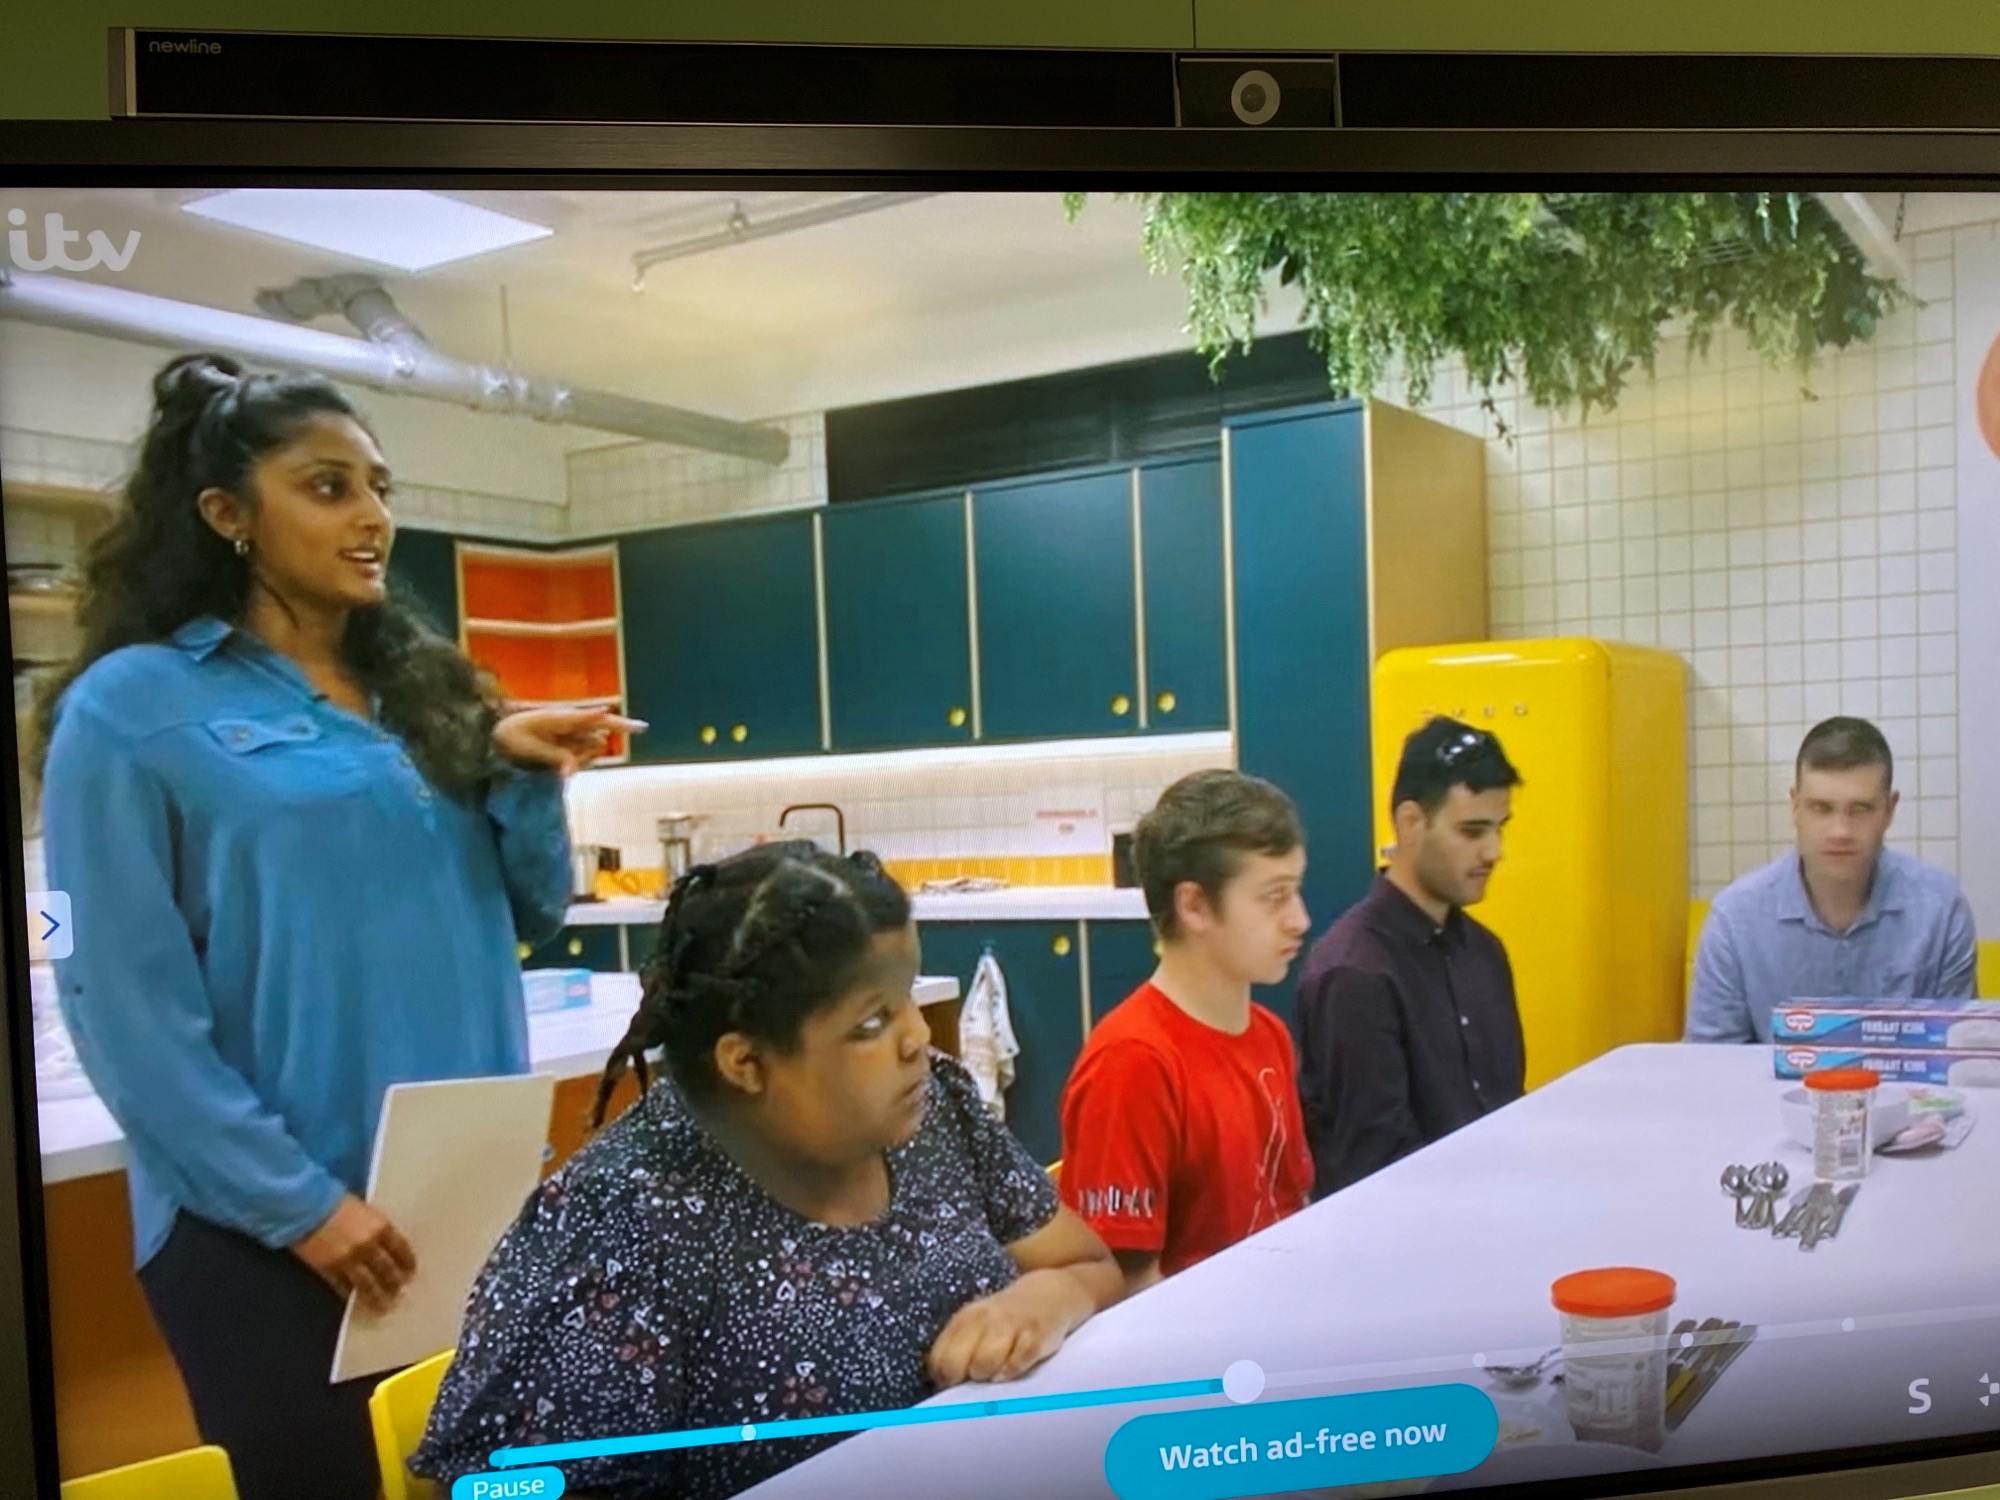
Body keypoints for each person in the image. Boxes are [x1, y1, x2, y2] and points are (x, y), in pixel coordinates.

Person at [37, 353, 635, 1500]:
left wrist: (516, 769)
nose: (372, 517)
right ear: (225, 514)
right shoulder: (129, 709)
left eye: (378, 486)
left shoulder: (425, 693)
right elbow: (112, 1000)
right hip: (268, 1231)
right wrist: (302, 1208)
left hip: (456, 1206)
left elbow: (529, 910)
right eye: (327, 486)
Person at [412, 843, 1123, 1500]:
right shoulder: (621, 1227)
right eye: (871, 1022)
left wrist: (1039, 1304)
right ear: (746, 1063)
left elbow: (1088, 1265)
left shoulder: (933, 1107)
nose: (915, 1036)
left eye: (907, 995)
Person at [1056, 769, 1316, 1294]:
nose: (1300, 920)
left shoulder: (1270, 1035)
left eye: (1296, 891)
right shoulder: (1133, 1063)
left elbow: (1293, 1210)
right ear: (1194, 905)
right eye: (1274, 896)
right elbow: (1124, 1290)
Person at [1294, 718, 1526, 1199]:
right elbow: (1375, 1167)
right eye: (1472, 831)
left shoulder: (1483, 952)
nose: (1494, 852)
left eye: (1499, 829)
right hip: (1404, 1243)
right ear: (1411, 823)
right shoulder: (1355, 973)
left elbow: (1506, 1109)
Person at [1687, 716, 1977, 1044]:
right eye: (1821, 808)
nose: (1840, 832)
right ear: (1795, 807)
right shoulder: (1734, 919)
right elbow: (1708, 1068)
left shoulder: (1941, 910)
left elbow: (1958, 1060)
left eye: (1861, 809)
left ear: (1889, 809)